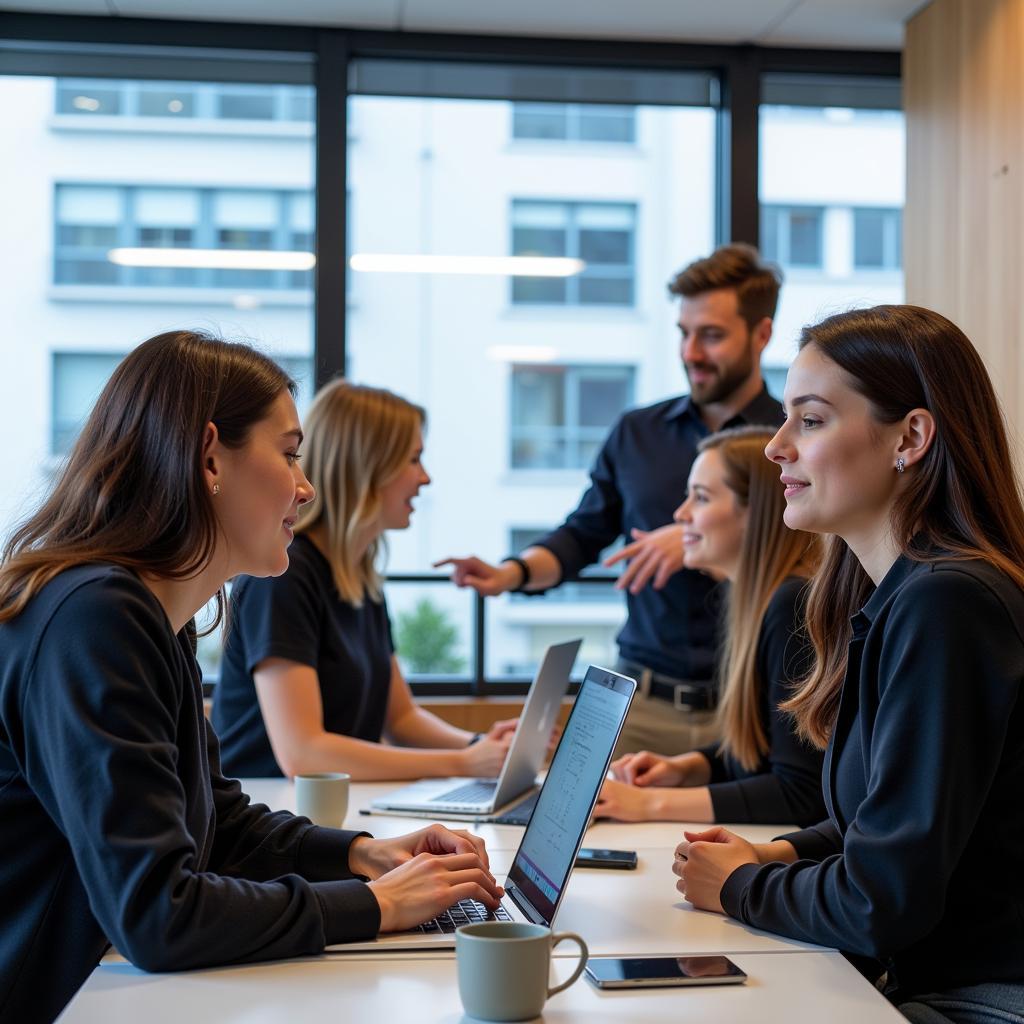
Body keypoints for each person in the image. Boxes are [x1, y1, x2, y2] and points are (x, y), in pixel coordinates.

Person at [0, 332, 502, 1024]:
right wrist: (379, 905)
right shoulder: (97, 618)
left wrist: (364, 855)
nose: (306, 487)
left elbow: (220, 824)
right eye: (290, 455)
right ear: (210, 457)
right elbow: (159, 914)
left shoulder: (147, 614)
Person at [672, 306, 1024, 1023]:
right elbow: (879, 824)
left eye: (810, 420)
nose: (775, 448)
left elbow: (881, 899)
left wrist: (739, 886)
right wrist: (776, 857)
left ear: (911, 438)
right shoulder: (898, 596)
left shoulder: (947, 603)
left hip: (981, 1000)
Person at [436, 243, 786, 756]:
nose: (691, 352)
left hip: (751, 701)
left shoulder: (793, 440)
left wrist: (695, 540)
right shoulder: (637, 433)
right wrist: (510, 573)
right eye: (684, 334)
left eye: (711, 336)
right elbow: (584, 533)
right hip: (639, 703)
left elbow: (819, 556)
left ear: (762, 335)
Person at [213, 380, 515, 780]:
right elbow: (304, 754)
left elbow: (401, 718)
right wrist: (464, 763)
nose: (424, 479)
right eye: (413, 460)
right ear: (368, 465)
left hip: (317, 812)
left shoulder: (357, 575)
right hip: (266, 815)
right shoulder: (284, 575)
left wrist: (479, 747)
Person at [595, 426, 825, 827]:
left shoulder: (791, 605)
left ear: (757, 513)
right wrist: (690, 767)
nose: (680, 514)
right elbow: (769, 750)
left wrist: (647, 804)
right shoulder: (758, 599)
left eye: (700, 497)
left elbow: (800, 791)